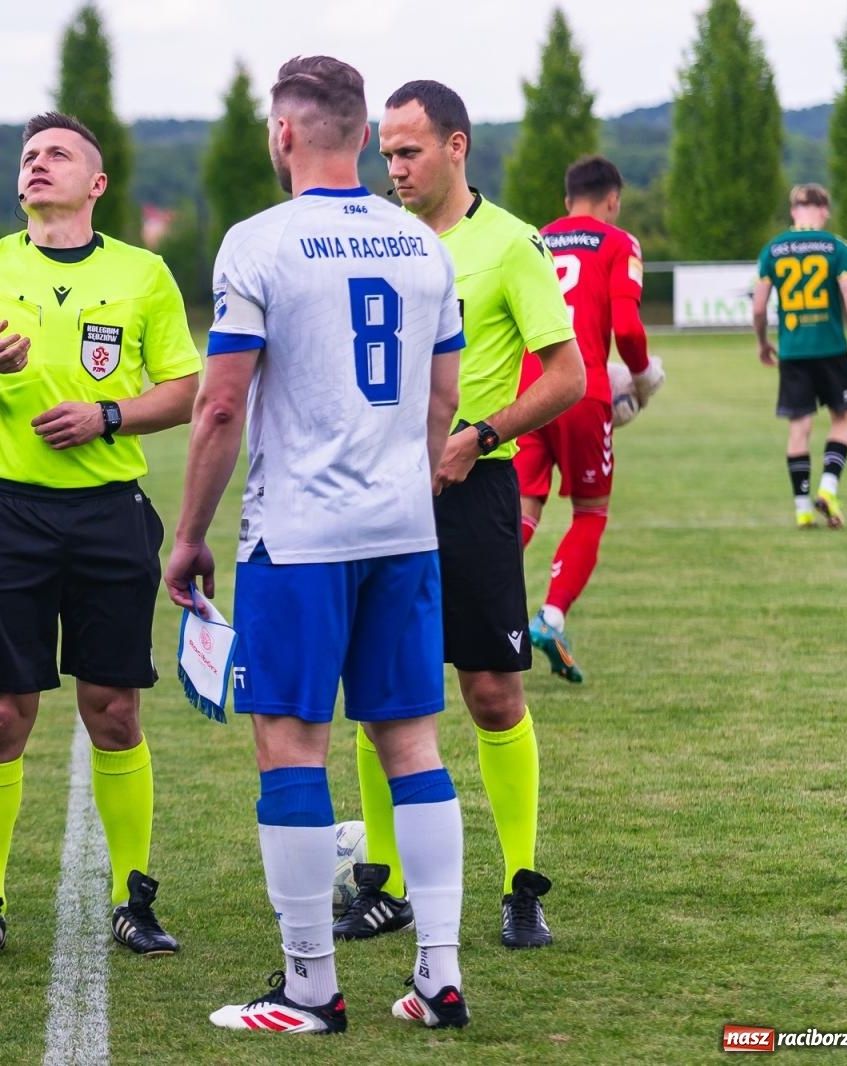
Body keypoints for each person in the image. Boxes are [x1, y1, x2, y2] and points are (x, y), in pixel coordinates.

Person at [166, 56, 469, 1032]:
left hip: (296, 536)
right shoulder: (424, 247)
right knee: (410, 742)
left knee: (289, 744)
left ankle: (308, 987)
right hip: (402, 531)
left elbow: (218, 404)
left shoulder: (258, 243)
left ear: (284, 134)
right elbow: (443, 401)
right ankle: (437, 973)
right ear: (366, 137)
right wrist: (405, 491)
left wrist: (185, 536)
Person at [0, 111, 200, 965]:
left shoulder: (143, 273)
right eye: (30, 155)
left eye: (58, 155)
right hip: (8, 515)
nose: (39, 165)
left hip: (112, 516)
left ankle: (134, 896)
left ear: (97, 183)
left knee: (113, 709)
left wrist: (108, 414)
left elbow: (185, 390)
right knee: (3, 714)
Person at [356, 80, 583, 951]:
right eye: (387, 153)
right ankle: (384, 880)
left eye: (409, 151)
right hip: (378, 488)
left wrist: (478, 435)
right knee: (382, 688)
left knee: (490, 691)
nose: (395, 168)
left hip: (472, 488)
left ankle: (522, 882)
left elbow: (565, 375)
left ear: (457, 147)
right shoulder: (368, 235)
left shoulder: (512, 244)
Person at [516, 156, 663, 683]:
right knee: (591, 510)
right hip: (581, 390)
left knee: (524, 504)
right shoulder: (619, 242)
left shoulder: (532, 239)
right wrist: (643, 377)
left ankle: (477, 606)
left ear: (565, 200)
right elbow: (626, 325)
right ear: (613, 200)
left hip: (528, 388)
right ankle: (551, 617)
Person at [753, 183, 847, 529]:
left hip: (792, 352)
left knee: (799, 427)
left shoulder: (772, 250)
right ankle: (829, 488)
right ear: (823, 210)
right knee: (842, 418)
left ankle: (802, 508)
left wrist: (762, 342)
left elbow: (759, 307)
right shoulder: (837, 247)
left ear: (794, 211)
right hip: (831, 349)